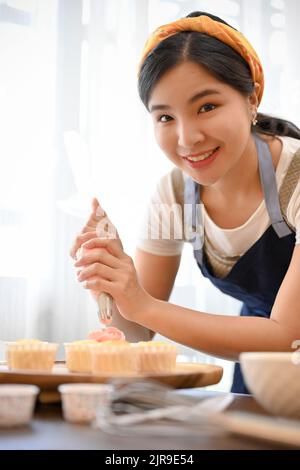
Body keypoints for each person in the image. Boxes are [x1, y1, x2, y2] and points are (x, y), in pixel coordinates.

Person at [70, 11, 300, 394]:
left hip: (274, 349)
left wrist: (141, 303)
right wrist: (109, 281)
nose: (187, 137)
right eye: (164, 117)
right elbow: (138, 332)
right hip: (262, 371)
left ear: (251, 98)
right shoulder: (175, 195)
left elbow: (286, 337)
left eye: (207, 106)